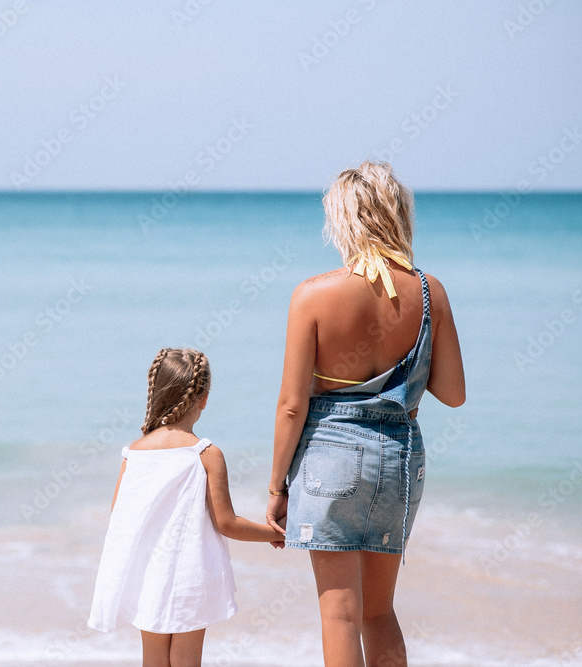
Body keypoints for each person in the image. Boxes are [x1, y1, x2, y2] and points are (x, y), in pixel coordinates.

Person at [266, 161, 465, 667]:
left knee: (340, 615)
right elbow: (453, 392)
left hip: (330, 455)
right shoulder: (429, 291)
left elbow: (292, 405)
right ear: (397, 214)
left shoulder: (313, 295)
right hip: (400, 457)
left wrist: (275, 487)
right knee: (380, 612)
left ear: (344, 218)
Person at [89, 348, 285, 667]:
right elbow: (227, 523)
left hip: (147, 575)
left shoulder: (133, 454)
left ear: (155, 392)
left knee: (153, 660)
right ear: (203, 398)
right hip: (190, 576)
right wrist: (272, 533)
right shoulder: (205, 454)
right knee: (186, 661)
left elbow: (120, 518)